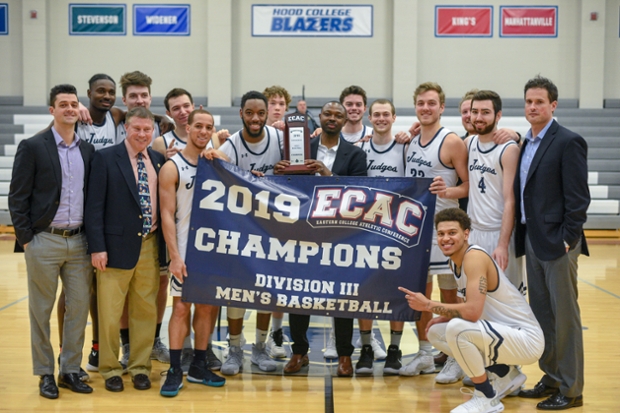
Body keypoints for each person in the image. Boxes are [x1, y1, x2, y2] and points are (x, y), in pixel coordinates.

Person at [400, 208, 544, 413]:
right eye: (441, 234)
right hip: (503, 333)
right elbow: (468, 305)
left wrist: (429, 305)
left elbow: (473, 312)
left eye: (452, 232)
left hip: (526, 339)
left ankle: (486, 397)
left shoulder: (474, 258)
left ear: (466, 234)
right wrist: (442, 316)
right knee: (436, 333)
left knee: (457, 329)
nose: (445, 238)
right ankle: (505, 373)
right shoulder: (455, 261)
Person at [9, 84, 95, 398]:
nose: (70, 108)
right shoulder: (33, 146)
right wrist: (27, 240)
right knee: (41, 311)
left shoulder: (87, 150)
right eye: (63, 104)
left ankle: (70, 369)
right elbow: (17, 197)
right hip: (44, 240)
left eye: (74, 104)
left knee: (78, 310)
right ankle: (45, 373)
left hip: (79, 242)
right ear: (52, 110)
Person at [275, 101, 367, 377]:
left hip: (340, 237)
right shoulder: (301, 149)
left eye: (338, 115)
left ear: (344, 120)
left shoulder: (355, 155)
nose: (333, 118)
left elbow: (361, 194)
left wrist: (329, 176)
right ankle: (299, 351)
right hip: (303, 234)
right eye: (328, 113)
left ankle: (344, 355)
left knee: (342, 297)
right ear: (320, 117)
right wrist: (280, 172)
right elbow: (286, 190)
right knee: (299, 293)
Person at [515, 76, 589, 410]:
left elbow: (578, 199)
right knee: (542, 315)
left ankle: (572, 390)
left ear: (553, 105)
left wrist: (568, 239)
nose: (533, 107)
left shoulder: (568, 141)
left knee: (566, 318)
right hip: (532, 238)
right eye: (529, 101)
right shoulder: (524, 143)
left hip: (558, 242)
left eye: (539, 102)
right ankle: (552, 377)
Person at [85, 107, 166, 392]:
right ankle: (109, 368)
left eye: (147, 129)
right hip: (113, 247)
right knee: (109, 313)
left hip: (149, 244)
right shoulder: (105, 158)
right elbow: (93, 207)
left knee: (145, 310)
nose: (143, 134)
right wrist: (97, 247)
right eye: (137, 129)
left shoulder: (158, 160)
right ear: (126, 129)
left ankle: (140, 367)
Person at [205, 91, 282, 375]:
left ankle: (260, 348)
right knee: (236, 291)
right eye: (249, 113)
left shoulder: (278, 139)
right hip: (240, 228)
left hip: (273, 227)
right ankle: (234, 349)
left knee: (266, 288)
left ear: (266, 114)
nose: (255, 118)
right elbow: (215, 166)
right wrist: (212, 149)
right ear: (241, 114)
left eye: (260, 113)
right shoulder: (233, 144)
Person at [400, 82, 469, 380]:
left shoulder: (452, 141)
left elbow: (468, 187)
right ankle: (426, 353)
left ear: (441, 107)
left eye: (431, 103)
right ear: (415, 107)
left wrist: (450, 190)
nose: (425, 108)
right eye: (421, 103)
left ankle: (454, 355)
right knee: (420, 295)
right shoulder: (410, 140)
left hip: (447, 233)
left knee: (450, 297)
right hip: (416, 231)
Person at [159, 109, 227, 396]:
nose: (202, 131)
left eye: (208, 127)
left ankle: (199, 364)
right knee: (181, 308)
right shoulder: (172, 167)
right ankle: (175, 369)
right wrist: (174, 256)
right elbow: (166, 214)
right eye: (198, 125)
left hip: (214, 249)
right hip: (186, 249)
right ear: (187, 128)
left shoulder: (218, 163)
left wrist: (221, 158)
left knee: (208, 308)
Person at [115, 70, 171, 370]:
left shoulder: (160, 137)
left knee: (156, 288)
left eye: (144, 95)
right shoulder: (111, 124)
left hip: (151, 231)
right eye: (133, 96)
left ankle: (151, 342)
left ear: (151, 98)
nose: (139, 99)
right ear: (124, 100)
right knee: (116, 294)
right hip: (118, 229)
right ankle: (120, 346)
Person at [355, 99, 406, 374]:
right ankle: (365, 347)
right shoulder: (360, 147)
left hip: (397, 229)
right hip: (365, 230)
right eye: (377, 114)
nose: (382, 118)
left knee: (395, 291)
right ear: (369, 117)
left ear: (394, 117)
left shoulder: (405, 147)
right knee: (365, 290)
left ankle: (394, 350)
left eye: (386, 114)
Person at [466, 90, 523, 291]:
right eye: (475, 112)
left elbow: (510, 201)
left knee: (506, 301)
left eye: (485, 112)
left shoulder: (508, 149)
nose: (478, 117)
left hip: (499, 234)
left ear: (498, 116)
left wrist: (502, 244)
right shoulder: (469, 143)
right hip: (473, 234)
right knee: (474, 298)